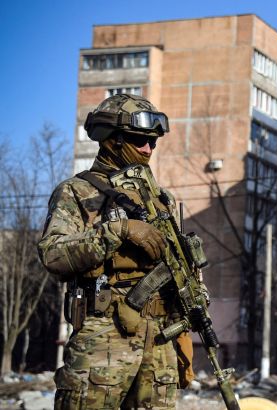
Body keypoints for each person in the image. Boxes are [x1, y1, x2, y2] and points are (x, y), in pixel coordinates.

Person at [38, 94, 192, 409]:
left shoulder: (161, 200)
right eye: (139, 140)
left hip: (160, 344)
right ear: (113, 140)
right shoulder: (78, 192)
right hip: (104, 341)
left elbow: (176, 271)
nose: (149, 149)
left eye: (153, 142)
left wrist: (183, 333)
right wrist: (116, 232)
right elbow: (52, 254)